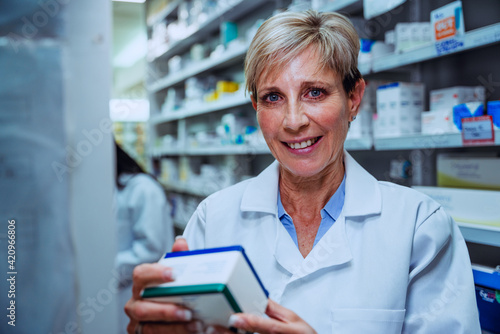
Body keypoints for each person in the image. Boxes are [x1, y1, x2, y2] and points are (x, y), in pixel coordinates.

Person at [124, 10, 481, 334]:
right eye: (273, 98)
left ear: (353, 98)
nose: (294, 121)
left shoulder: (420, 227)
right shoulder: (213, 219)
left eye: (314, 92)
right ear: (256, 107)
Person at [114, 141, 174, 334]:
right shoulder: (105, 189)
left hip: (134, 290)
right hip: (117, 291)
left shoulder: (143, 188)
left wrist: (103, 270)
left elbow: (151, 249)